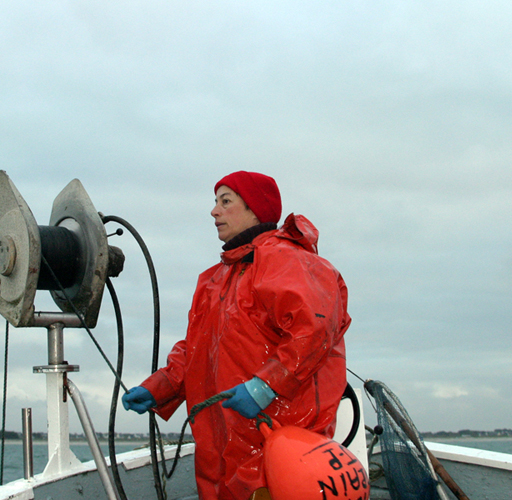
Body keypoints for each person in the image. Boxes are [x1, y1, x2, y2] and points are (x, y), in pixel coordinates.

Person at [122, 171, 351, 500]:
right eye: (215, 202)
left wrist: (266, 384)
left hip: (279, 446)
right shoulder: (214, 279)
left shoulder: (288, 261)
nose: (214, 211)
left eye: (225, 201)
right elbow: (196, 350)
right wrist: (160, 387)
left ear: (255, 209)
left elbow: (315, 328)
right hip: (220, 450)